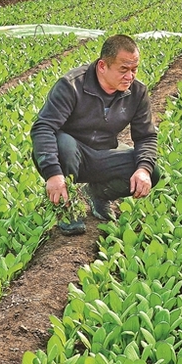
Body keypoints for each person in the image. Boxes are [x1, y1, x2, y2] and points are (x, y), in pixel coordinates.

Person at [31, 34, 160, 235]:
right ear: (102, 66)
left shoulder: (137, 92)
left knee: (151, 170)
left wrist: (143, 169)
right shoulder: (71, 85)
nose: (130, 76)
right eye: (123, 70)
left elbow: (146, 137)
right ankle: (66, 208)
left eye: (134, 69)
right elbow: (43, 127)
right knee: (62, 141)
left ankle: (97, 194)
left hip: (103, 154)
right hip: (70, 155)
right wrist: (53, 173)